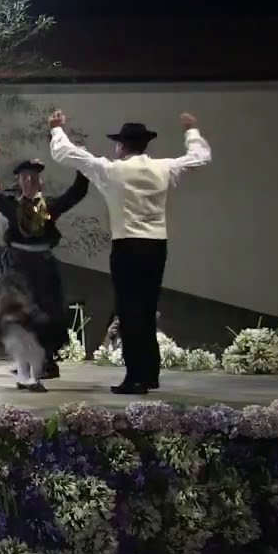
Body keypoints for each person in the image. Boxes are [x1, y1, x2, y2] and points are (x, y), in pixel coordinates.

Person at [48, 110, 211, 394]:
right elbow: (199, 158)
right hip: (156, 246)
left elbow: (67, 154)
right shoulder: (164, 168)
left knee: (129, 311)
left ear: (121, 146)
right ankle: (149, 373)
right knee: (147, 309)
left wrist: (56, 129)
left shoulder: (112, 170)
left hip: (127, 246)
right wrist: (191, 130)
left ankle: (136, 377)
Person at [0, 143, 90, 391]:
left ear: (39, 180)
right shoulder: (12, 207)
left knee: (42, 321)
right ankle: (25, 374)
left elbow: (77, 192)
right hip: (17, 268)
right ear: (19, 181)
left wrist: (79, 160)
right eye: (24, 177)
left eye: (33, 177)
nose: (28, 181)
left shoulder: (50, 207)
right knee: (20, 319)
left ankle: (32, 370)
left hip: (43, 269)